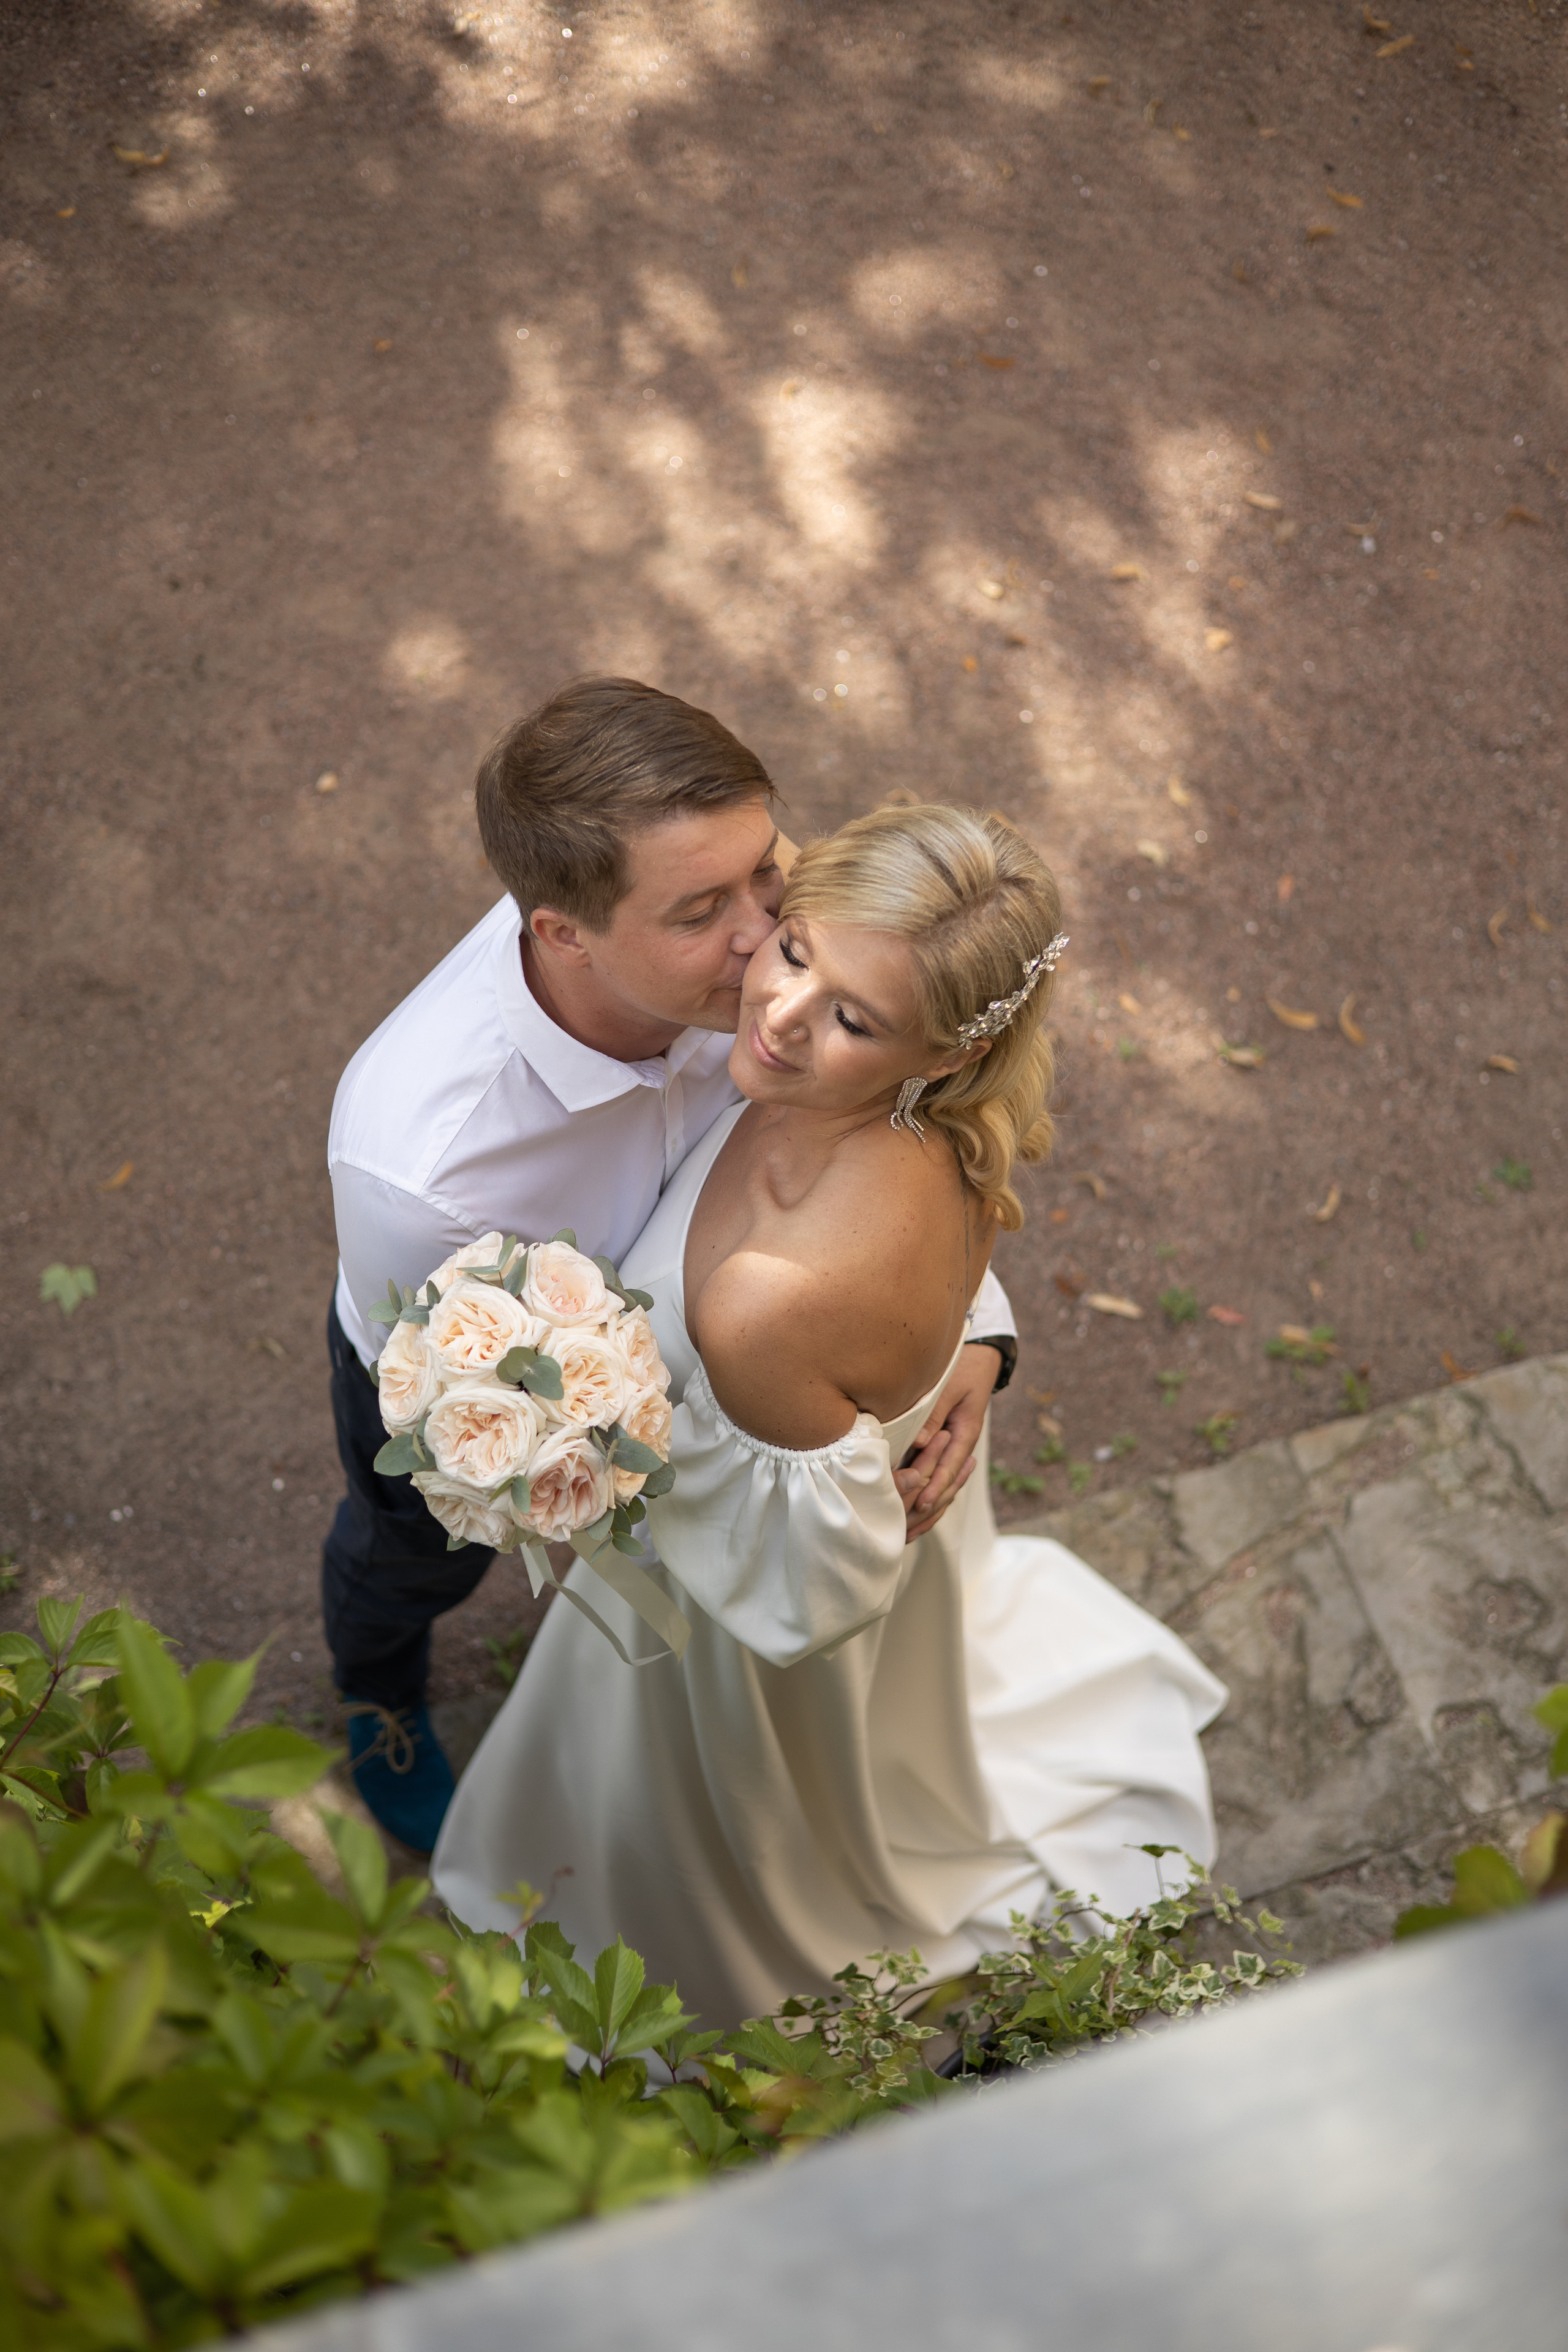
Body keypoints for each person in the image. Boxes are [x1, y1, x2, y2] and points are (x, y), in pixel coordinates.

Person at [432, 804, 1226, 2030]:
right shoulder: (924, 1116)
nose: (780, 1010)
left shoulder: (762, 1306)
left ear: (942, 1056)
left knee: (724, 1833)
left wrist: (564, 1455)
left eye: (854, 1019)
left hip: (738, 1629)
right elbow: (929, 1280)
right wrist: (978, 1345)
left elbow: (817, 1590)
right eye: (796, 947)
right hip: (859, 1470)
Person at [323, 683, 1019, 1851]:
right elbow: (475, 1411)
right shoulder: (428, 1169)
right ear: (566, 934)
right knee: (406, 1562)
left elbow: (892, 1122)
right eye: (703, 912)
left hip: (703, 1366)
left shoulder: (778, 954)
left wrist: (971, 1328)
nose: (767, 946)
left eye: (768, 871)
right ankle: (375, 1693)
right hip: (459, 1374)